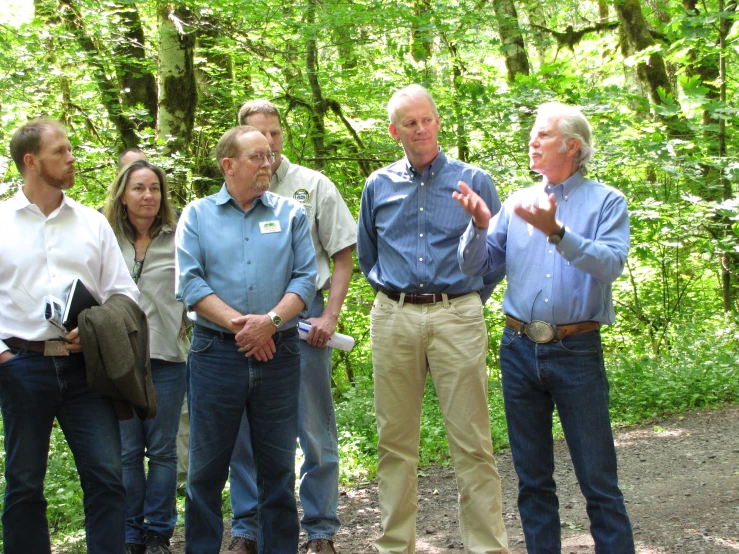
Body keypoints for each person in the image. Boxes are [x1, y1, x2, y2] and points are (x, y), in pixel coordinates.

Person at [454, 101, 635, 553]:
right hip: (518, 349)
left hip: (577, 350)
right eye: (532, 134)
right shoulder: (517, 202)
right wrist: (478, 227)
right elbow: (476, 268)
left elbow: (611, 264)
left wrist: (558, 232)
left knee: (599, 482)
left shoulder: (606, 201)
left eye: (543, 134)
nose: (532, 141)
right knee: (533, 482)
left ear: (572, 146)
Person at [357, 85, 509, 554]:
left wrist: (466, 301)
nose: (420, 130)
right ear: (393, 131)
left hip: (457, 315)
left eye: (426, 120)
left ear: (437, 122)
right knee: (394, 442)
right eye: (409, 123)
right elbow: (367, 255)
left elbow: (496, 254)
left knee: (472, 443)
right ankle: (394, 545)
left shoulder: (473, 180)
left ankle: (487, 547)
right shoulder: (377, 186)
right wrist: (394, 300)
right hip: (394, 316)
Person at [222, 99, 356, 554]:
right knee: (244, 432)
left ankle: (320, 530)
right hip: (242, 324)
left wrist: (329, 315)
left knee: (313, 426)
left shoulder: (312, 186)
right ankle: (248, 526)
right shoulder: (232, 189)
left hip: (302, 323)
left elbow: (341, 254)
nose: (270, 145)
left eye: (276, 134)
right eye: (260, 137)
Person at [175, 125, 317, 554]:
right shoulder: (197, 215)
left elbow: (306, 279)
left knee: (277, 471)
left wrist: (270, 322)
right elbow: (190, 284)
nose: (268, 163)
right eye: (257, 157)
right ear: (228, 165)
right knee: (205, 472)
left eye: (270, 156)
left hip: (280, 353)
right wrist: (248, 328)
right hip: (215, 355)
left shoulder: (290, 213)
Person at [0, 119, 139, 554]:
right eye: (60, 151)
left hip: (87, 368)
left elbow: (124, 293)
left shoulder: (91, 223)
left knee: (107, 479)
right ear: (31, 161)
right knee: (23, 485)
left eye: (70, 148)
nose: (71, 156)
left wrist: (97, 328)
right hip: (21, 367)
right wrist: (3, 354)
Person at [103, 160, 189, 554]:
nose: (148, 196)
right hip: (118, 361)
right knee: (125, 452)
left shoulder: (179, 236)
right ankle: (130, 534)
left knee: (162, 451)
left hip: (167, 358)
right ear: (123, 195)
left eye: (154, 188)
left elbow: (197, 286)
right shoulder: (104, 237)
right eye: (139, 188)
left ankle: (158, 533)